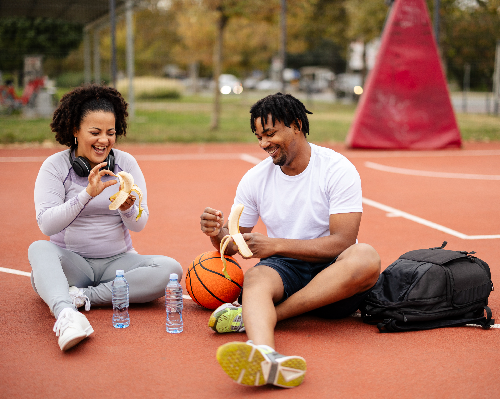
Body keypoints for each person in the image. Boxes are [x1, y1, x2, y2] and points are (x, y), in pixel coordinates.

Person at [200, 92, 381, 388]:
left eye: (270, 133)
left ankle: (262, 317)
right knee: (256, 279)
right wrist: (216, 232)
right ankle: (265, 355)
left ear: (296, 125)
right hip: (286, 269)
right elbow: (234, 244)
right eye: (259, 136)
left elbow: (343, 242)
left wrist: (276, 245)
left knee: (366, 257)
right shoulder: (255, 178)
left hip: (334, 272)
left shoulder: (337, 169)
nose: (264, 144)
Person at [28, 84, 182, 351]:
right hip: (73, 264)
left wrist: (127, 207)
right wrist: (86, 193)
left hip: (119, 263)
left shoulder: (126, 164)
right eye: (95, 132)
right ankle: (66, 314)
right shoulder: (55, 167)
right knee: (38, 249)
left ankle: (83, 298)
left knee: (171, 270)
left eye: (111, 133)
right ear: (75, 131)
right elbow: (47, 224)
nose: (104, 140)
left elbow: (140, 224)